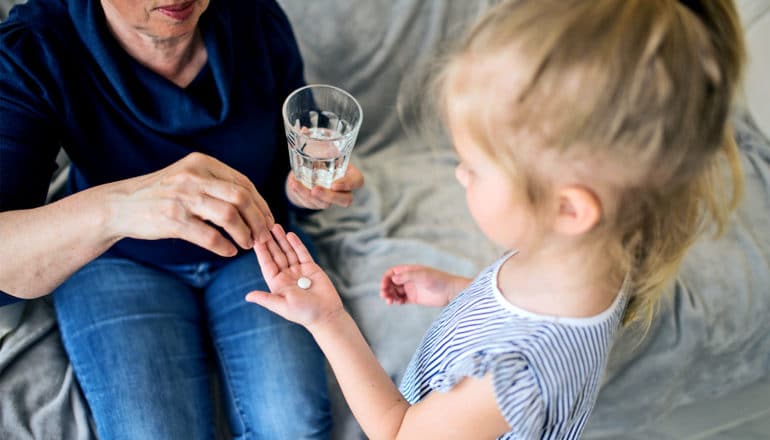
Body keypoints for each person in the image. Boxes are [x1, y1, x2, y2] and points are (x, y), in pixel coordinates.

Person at [244, 0, 746, 438]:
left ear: (568, 209)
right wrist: (458, 292)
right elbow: (515, 309)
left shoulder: (517, 375)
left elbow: (398, 431)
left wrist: (329, 320)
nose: (460, 174)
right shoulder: (590, 256)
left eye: (477, 168)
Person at [0, 0, 363, 438]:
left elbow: (286, 156)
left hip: (254, 242)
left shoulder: (257, 17)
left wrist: (301, 189)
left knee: (294, 427)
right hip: (117, 260)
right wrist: (122, 207)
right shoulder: (36, 46)